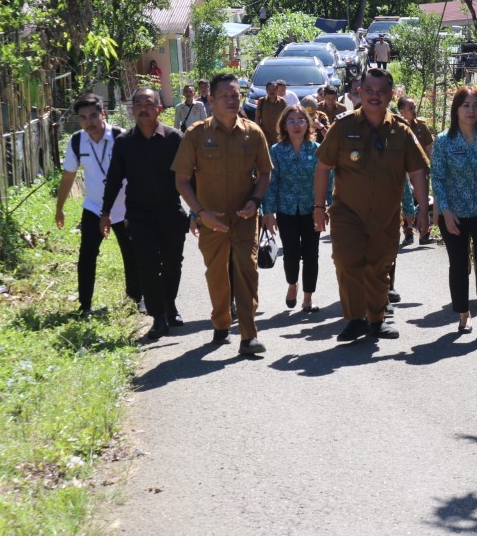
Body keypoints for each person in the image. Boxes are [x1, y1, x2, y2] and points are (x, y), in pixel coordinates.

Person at [314, 68, 430, 341]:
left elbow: (417, 171)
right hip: (347, 212)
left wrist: (423, 210)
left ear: (391, 95)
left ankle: (377, 319)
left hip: (386, 214)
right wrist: (318, 208)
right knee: (346, 260)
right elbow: (323, 167)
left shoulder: (402, 130)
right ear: (360, 93)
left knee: (379, 266)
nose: (374, 96)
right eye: (369, 91)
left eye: (381, 92)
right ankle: (356, 318)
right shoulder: (343, 127)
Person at [173, 73, 272, 355]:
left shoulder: (253, 132)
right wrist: (200, 212)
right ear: (212, 100)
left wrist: (255, 200)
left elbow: (265, 172)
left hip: (244, 217)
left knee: (247, 271)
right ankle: (221, 322)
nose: (232, 99)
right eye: (225, 95)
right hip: (211, 220)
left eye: (236, 94)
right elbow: (181, 179)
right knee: (217, 274)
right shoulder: (196, 134)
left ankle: (249, 334)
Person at [101, 88, 186, 341]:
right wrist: (105, 212)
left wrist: (198, 211)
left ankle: (169, 304)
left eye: (148, 103)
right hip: (139, 216)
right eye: (138, 104)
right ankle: (158, 318)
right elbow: (114, 179)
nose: (142, 108)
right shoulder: (124, 143)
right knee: (148, 267)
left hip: (171, 212)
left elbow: (190, 177)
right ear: (132, 109)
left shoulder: (174, 139)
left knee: (173, 265)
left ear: (159, 108)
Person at [56, 93, 141, 316]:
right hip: (94, 206)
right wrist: (59, 208)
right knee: (86, 255)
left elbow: (136, 173)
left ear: (103, 113)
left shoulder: (121, 136)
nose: (89, 122)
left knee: (132, 254)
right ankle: (85, 305)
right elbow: (68, 176)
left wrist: (138, 205)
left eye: (93, 116)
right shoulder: (76, 141)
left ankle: (135, 299)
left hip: (124, 207)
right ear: (78, 120)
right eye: (83, 118)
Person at [431, 87, 477, 335]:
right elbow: (438, 179)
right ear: (456, 109)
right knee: (459, 263)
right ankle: (464, 314)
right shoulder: (444, 141)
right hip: (454, 214)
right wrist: (445, 210)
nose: (471, 110)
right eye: (466, 105)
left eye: (476, 105)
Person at [262, 106, 330, 313]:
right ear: (283, 125)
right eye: (291, 121)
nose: (297, 124)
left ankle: (308, 298)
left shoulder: (317, 149)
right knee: (291, 253)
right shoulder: (276, 150)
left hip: (313, 209)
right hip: (286, 210)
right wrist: (268, 212)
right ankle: (292, 284)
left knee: (312, 254)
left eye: (301, 120)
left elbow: (329, 179)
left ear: (308, 124)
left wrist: (329, 206)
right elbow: (271, 183)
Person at [396, 96, 435, 245]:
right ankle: (408, 232)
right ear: (402, 111)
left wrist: (433, 167)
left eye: (414, 107)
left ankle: (424, 234)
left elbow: (429, 149)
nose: (414, 110)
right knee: (406, 201)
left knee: (423, 201)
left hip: (421, 171)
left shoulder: (421, 127)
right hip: (403, 172)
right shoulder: (396, 128)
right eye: (410, 108)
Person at [255, 80, 286, 147]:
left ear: (277, 90)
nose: (272, 91)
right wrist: (257, 131)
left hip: (278, 135)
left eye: (274, 89)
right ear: (266, 90)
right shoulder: (262, 101)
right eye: (269, 89)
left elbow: (285, 118)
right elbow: (257, 117)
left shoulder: (282, 102)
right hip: (265, 135)